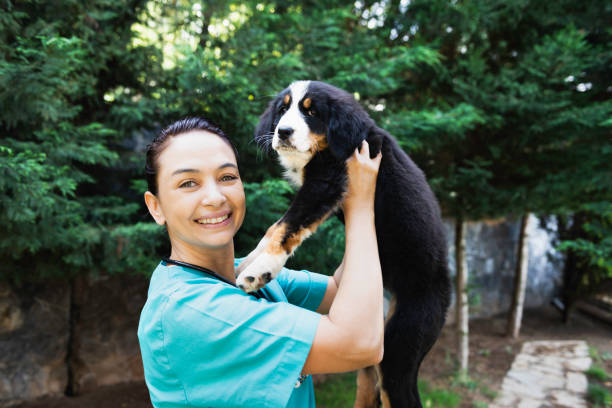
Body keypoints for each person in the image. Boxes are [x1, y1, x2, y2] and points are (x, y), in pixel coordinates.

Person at [138, 117, 384, 408]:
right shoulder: (190, 309)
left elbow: (344, 290)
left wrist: (346, 192)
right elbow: (360, 342)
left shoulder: (248, 275)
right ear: (156, 207)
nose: (215, 197)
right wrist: (359, 206)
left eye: (227, 177)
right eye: (188, 183)